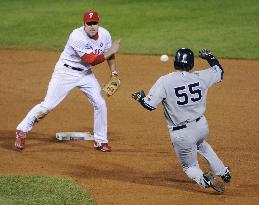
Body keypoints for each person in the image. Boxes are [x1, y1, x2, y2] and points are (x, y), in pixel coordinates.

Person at [15, 10, 120, 152]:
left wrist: (114, 72)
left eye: (94, 23)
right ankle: (22, 130)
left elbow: (110, 55)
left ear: (98, 23)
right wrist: (111, 50)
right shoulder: (76, 36)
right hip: (65, 73)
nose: (92, 26)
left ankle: (101, 141)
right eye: (89, 23)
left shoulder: (105, 34)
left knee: (100, 103)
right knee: (48, 105)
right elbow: (93, 60)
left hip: (85, 74)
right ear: (84, 24)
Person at [132, 48, 231, 193]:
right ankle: (223, 171)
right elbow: (219, 72)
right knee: (201, 144)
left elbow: (149, 105)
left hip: (182, 134)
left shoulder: (165, 81)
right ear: (191, 64)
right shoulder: (200, 76)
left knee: (189, 167)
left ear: (175, 63)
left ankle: (204, 180)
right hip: (201, 126)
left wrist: (140, 98)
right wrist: (210, 57)